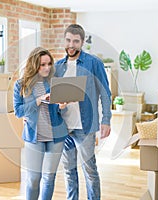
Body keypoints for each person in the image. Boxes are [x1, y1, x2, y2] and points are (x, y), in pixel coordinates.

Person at [54, 24, 112, 200]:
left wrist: (106, 120)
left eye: (76, 41)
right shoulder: (58, 66)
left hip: (85, 126)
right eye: (68, 40)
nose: (71, 45)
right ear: (64, 40)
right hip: (64, 127)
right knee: (69, 171)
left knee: (90, 170)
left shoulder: (93, 63)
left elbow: (105, 93)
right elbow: (54, 99)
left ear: (82, 42)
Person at [13, 47, 68, 200]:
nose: (47, 68)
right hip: (33, 137)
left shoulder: (53, 82)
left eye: (49, 64)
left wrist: (61, 107)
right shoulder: (21, 85)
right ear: (34, 64)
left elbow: (58, 111)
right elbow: (18, 112)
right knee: (33, 179)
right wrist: (38, 100)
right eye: (42, 65)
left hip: (56, 136)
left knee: (49, 179)